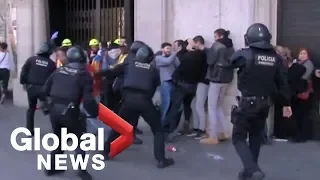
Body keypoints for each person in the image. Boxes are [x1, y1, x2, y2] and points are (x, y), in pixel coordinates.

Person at [225, 23, 292, 180]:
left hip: (248, 103)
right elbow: (282, 83)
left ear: (248, 38)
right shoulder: (277, 58)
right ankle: (250, 171)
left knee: (238, 138)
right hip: (264, 104)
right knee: (255, 136)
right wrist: (287, 104)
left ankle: (253, 169)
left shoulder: (244, 54)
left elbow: (229, 64)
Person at [95, 44, 174, 168]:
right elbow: (154, 87)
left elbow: (111, 72)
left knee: (118, 126)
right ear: (149, 58)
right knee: (158, 130)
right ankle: (161, 160)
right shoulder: (153, 69)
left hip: (128, 101)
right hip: (145, 101)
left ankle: (105, 152)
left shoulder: (129, 64)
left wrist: (95, 74)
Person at [42, 45, 98, 180]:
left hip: (54, 110)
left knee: (58, 139)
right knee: (80, 140)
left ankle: (51, 167)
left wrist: (47, 106)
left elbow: (45, 90)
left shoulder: (59, 71)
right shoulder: (84, 75)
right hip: (70, 110)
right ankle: (81, 170)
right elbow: (88, 99)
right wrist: (94, 112)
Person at [164, 39, 207, 141]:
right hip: (193, 86)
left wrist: (185, 49)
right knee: (187, 106)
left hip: (182, 84)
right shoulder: (202, 56)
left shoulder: (187, 56)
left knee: (175, 108)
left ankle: (169, 131)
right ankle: (186, 125)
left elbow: (180, 60)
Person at [202, 29, 235, 144]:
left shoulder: (217, 45)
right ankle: (224, 132)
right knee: (219, 106)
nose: (214, 38)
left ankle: (213, 136)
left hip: (216, 78)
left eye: (215, 36)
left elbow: (210, 60)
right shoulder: (231, 46)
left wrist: (205, 50)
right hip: (227, 78)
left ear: (220, 36)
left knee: (212, 107)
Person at [20, 42, 56, 136]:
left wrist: (23, 82)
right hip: (44, 89)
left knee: (31, 109)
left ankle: (29, 131)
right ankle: (57, 131)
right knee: (52, 110)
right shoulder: (51, 64)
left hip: (31, 88)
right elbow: (53, 78)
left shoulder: (31, 60)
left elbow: (23, 72)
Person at [186, 35, 208, 139]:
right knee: (194, 104)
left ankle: (201, 130)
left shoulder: (203, 53)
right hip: (201, 81)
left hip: (204, 81)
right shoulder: (203, 53)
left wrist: (190, 48)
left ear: (198, 42)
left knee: (199, 105)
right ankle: (196, 128)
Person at [154, 42, 180, 125]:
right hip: (165, 82)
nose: (169, 50)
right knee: (166, 103)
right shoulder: (158, 58)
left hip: (173, 82)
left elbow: (178, 65)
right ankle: (161, 124)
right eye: (167, 48)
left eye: (170, 49)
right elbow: (167, 61)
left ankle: (167, 124)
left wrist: (174, 55)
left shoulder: (173, 57)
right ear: (162, 49)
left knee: (172, 104)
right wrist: (176, 52)